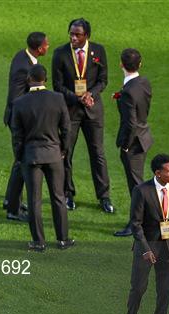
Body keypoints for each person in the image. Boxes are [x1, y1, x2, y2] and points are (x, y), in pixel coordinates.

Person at [116, 154, 169, 314]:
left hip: (168, 248)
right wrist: (145, 249)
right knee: (138, 288)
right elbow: (136, 224)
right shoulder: (142, 191)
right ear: (158, 173)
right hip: (147, 248)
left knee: (164, 291)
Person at [52, 18, 113, 213]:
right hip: (70, 111)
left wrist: (90, 94)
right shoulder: (60, 53)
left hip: (93, 110)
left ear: (87, 35)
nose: (73, 37)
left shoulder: (98, 51)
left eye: (77, 34)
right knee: (66, 153)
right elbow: (57, 85)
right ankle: (68, 194)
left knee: (98, 154)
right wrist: (78, 97)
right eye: (71, 33)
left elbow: (103, 80)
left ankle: (104, 197)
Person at [11, 65, 74, 252]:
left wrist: (19, 156)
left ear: (29, 79)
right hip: (54, 155)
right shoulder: (58, 98)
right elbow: (67, 129)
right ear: (45, 79)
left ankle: (39, 242)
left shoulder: (20, 103)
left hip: (31, 157)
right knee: (58, 197)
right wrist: (63, 150)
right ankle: (63, 239)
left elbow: (16, 135)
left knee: (34, 200)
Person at [3, 32, 50, 222]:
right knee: (21, 163)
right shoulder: (24, 67)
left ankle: (11, 201)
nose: (48, 47)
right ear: (39, 48)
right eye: (46, 45)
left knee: (19, 163)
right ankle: (13, 209)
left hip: (19, 119)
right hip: (20, 122)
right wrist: (24, 124)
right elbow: (16, 98)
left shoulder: (22, 56)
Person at [113, 48, 154, 237]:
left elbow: (130, 123)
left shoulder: (128, 91)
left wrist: (126, 144)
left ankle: (136, 223)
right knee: (137, 183)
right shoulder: (144, 83)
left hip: (134, 142)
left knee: (136, 186)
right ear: (140, 64)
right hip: (144, 136)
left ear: (121, 64)